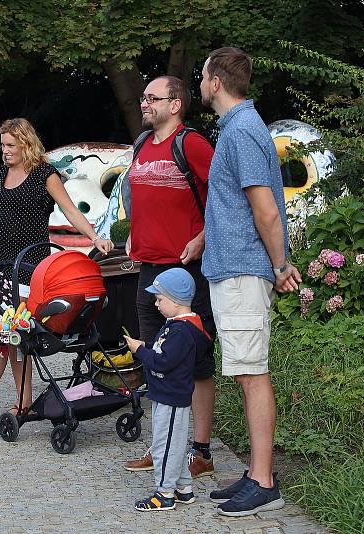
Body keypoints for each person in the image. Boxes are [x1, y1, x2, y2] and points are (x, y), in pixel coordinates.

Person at [0, 117, 114, 428]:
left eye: (10, 145)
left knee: (13, 336)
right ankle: (18, 401)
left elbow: (69, 209)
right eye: (2, 145)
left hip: (29, 270)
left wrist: (93, 237)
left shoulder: (44, 175)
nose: (5, 151)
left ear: (26, 143)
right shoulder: (1, 173)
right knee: (8, 336)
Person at [199, 47, 301, 517]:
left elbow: (264, 209)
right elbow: (237, 206)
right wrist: (204, 238)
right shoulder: (237, 130)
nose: (201, 83)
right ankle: (256, 472)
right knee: (245, 369)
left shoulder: (241, 131)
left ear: (215, 81)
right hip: (231, 266)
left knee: (252, 372)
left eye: (202, 75)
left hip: (243, 270)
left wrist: (281, 266)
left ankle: (263, 480)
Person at [123, 75, 218, 479]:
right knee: (155, 360)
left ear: (175, 103)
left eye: (151, 98)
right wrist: (131, 232)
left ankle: (200, 452)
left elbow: (226, 195)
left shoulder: (192, 144)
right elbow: (139, 195)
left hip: (186, 271)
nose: (144, 104)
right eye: (142, 98)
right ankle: (163, 445)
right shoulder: (143, 144)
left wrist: (202, 237)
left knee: (195, 364)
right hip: (149, 270)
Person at [124, 268, 213, 511]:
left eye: (160, 299)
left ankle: (164, 493)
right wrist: (147, 345)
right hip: (167, 395)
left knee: (165, 446)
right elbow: (165, 350)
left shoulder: (182, 331)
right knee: (174, 444)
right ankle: (184, 489)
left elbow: (162, 361)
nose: (155, 303)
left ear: (175, 301)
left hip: (172, 398)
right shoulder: (178, 325)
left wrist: (140, 351)